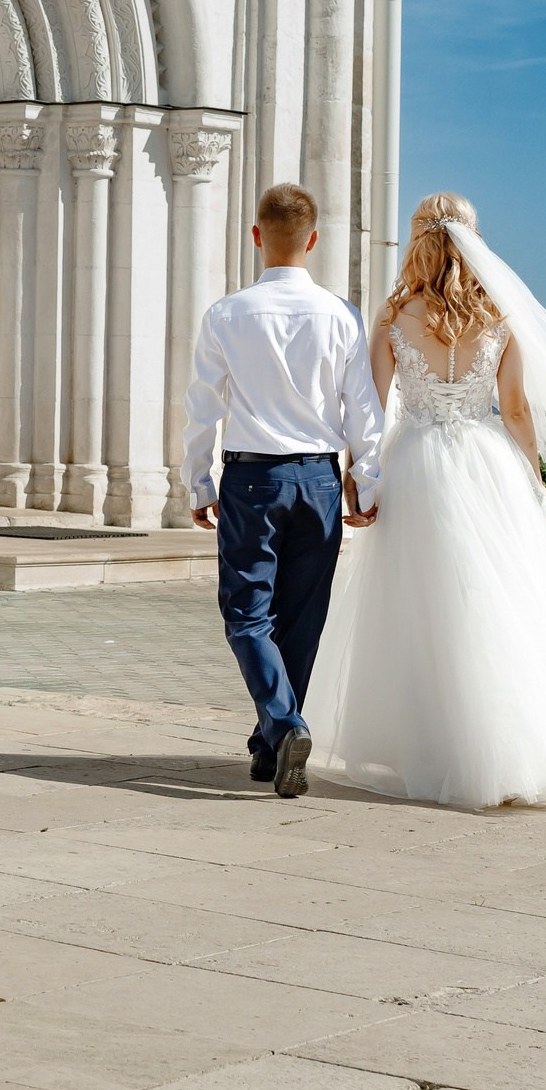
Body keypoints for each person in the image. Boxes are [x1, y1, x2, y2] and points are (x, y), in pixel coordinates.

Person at [306, 192, 546, 807]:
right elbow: (516, 409)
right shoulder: (499, 317)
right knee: (501, 596)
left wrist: (357, 476)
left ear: (416, 240)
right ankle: (510, 748)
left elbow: (367, 408)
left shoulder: (393, 318)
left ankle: (438, 747)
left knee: (424, 605)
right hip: (485, 461)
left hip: (414, 462)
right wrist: (536, 482)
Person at [182, 183, 384, 798]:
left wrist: (198, 480)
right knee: (299, 621)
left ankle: (284, 724)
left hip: (252, 478)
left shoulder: (227, 313)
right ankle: (270, 746)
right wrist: (366, 481)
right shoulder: (342, 314)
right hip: (319, 480)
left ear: (256, 237)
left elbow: (201, 407)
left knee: (247, 617)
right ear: (313, 240)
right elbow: (364, 408)